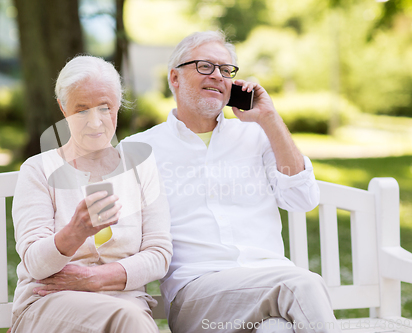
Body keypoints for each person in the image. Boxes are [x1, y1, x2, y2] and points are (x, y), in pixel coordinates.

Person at [123, 31, 342, 332]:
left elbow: (302, 198)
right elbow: (121, 235)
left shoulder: (257, 135)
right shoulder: (139, 150)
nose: (217, 76)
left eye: (226, 70)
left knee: (274, 330)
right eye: (205, 66)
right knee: (301, 283)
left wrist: (270, 119)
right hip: (198, 298)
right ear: (175, 78)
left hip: (270, 286)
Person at [10, 55, 172, 333]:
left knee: (128, 318)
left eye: (104, 108)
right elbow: (35, 264)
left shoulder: (141, 170)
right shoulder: (38, 170)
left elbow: (159, 254)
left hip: (125, 303)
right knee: (129, 321)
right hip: (48, 303)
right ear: (63, 108)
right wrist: (74, 231)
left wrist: (93, 278)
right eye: (81, 110)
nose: (95, 122)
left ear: (118, 105)